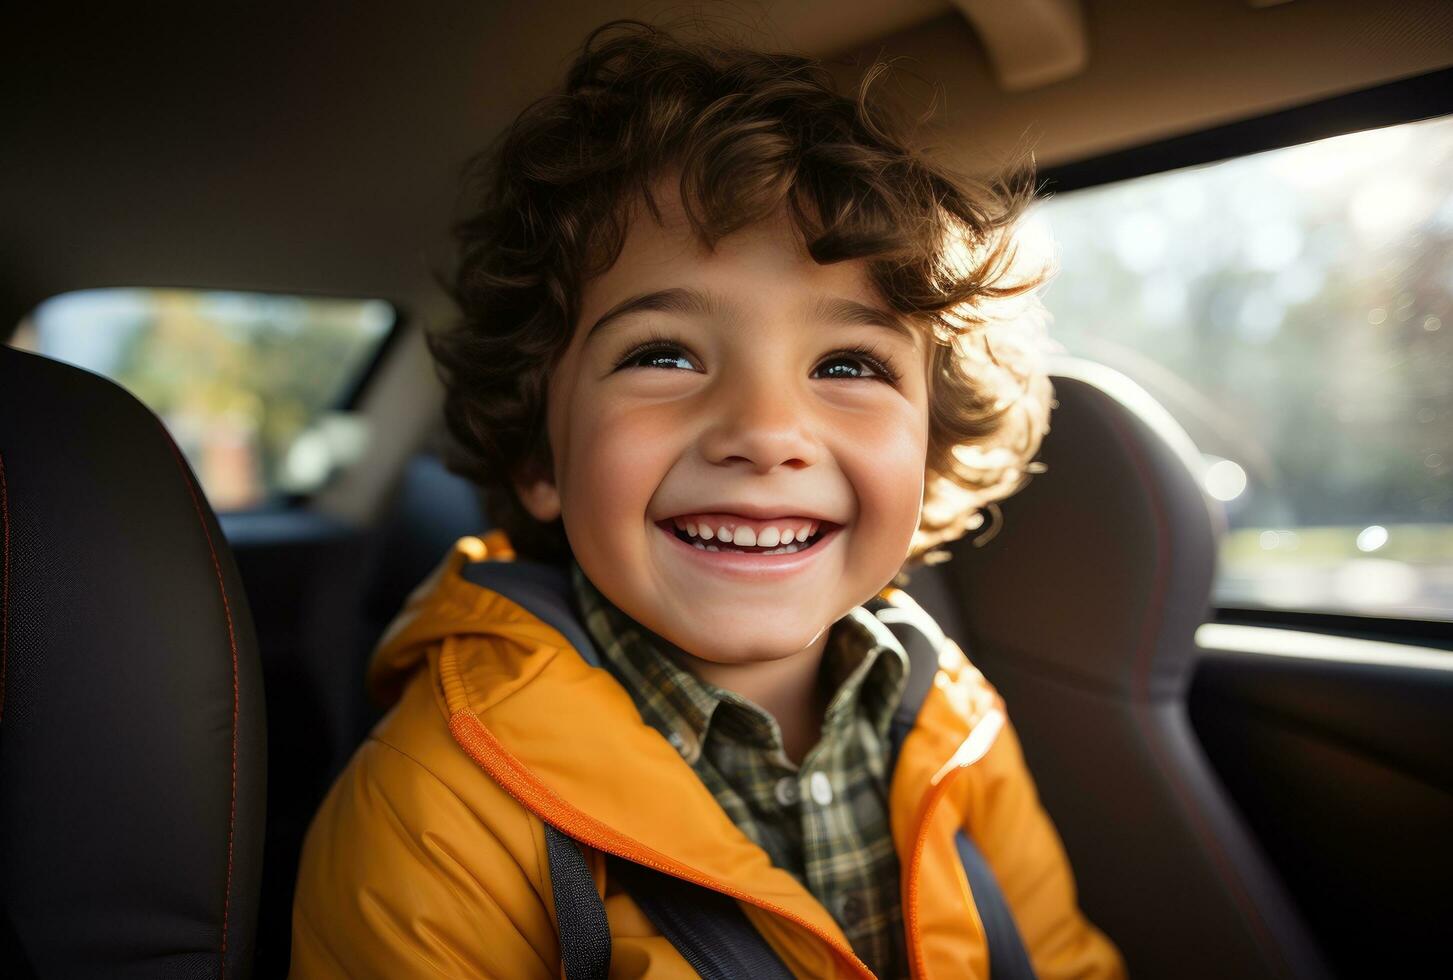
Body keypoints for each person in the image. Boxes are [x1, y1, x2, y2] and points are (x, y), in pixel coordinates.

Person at [290, 18, 1124, 979]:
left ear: (929, 455)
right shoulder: (432, 804)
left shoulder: (954, 715)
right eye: (662, 355)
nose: (765, 433)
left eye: (848, 364)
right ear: (542, 459)